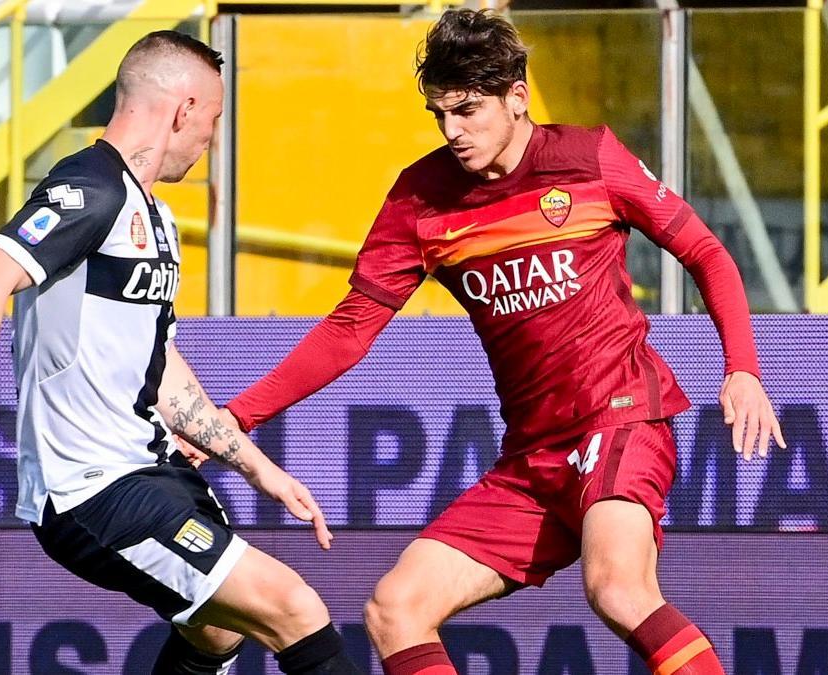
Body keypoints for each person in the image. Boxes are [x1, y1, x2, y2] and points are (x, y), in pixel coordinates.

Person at [221, 10, 786, 675]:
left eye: (467, 110)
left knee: (618, 586)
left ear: (517, 96)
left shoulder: (589, 157)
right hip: (533, 455)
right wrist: (236, 417)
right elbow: (349, 331)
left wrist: (742, 369)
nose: (453, 131)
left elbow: (706, 252)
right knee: (396, 607)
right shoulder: (420, 200)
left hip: (622, 415)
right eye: (439, 115)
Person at [0, 30, 362, 675]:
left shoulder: (156, 218)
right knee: (293, 606)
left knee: (216, 634)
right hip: (90, 487)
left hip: (151, 470)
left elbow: (163, 377)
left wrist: (259, 467)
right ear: (184, 111)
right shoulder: (92, 189)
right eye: (214, 118)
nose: (211, 137)